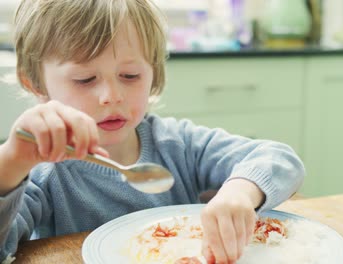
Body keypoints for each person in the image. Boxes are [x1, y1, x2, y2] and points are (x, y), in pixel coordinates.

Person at [0, 0, 305, 263]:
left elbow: (279, 159)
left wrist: (239, 193)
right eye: (85, 79)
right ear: (35, 83)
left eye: (130, 76)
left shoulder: (178, 145)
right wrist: (10, 162)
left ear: (154, 73)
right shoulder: (42, 175)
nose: (111, 96)